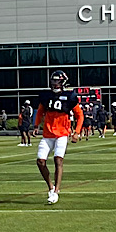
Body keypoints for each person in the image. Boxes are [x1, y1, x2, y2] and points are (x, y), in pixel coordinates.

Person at [34, 71, 83, 204]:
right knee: (40, 161)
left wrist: (77, 132)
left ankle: (56, 192)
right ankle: (51, 187)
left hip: (62, 133)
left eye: (58, 81)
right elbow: (40, 111)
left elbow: (80, 115)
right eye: (54, 81)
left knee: (58, 160)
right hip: (48, 134)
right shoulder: (46, 96)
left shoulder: (70, 96)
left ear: (63, 82)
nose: (55, 84)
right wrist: (36, 125)